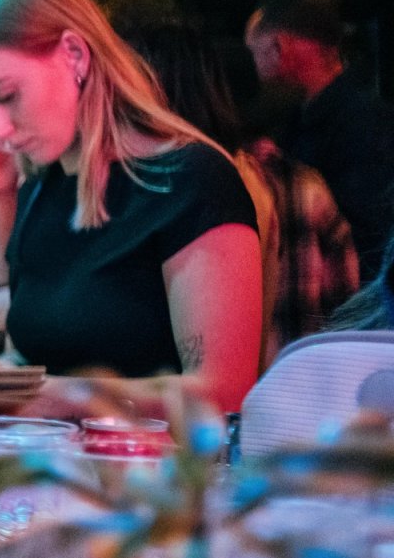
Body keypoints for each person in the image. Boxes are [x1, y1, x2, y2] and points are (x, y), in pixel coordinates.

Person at [0, 0, 262, 412]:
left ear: (75, 54)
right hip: (48, 475)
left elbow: (222, 394)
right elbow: (32, 353)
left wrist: (35, 393)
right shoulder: (39, 190)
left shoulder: (191, 180)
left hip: (153, 481)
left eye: (6, 95)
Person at [129, 24, 357, 360]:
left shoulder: (171, 194)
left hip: (202, 401)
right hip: (295, 389)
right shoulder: (303, 186)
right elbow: (347, 304)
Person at [245, 0, 394, 273]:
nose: (255, 68)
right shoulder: (304, 116)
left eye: (255, 54)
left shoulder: (360, 124)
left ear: (280, 48)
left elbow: (368, 237)